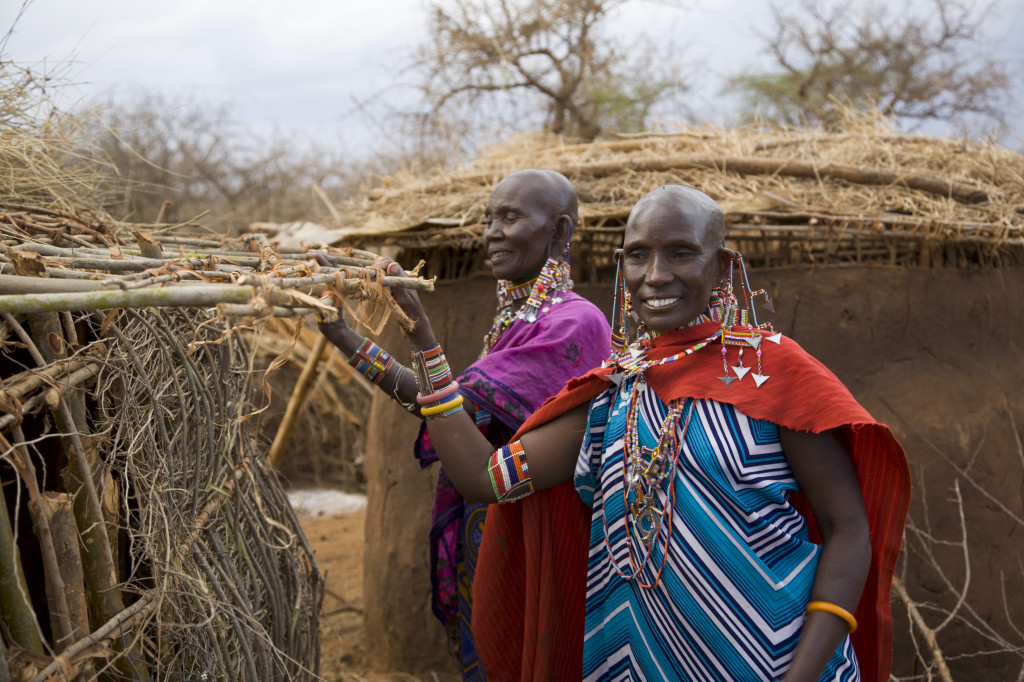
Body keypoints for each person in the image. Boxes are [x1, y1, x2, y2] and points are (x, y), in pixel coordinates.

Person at [383, 184, 910, 682]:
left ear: (722, 266)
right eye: (638, 255)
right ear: (621, 267)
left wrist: (804, 675)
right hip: (634, 661)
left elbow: (848, 530)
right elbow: (486, 477)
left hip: (772, 661)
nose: (655, 275)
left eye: (681, 252)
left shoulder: (772, 372)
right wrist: (424, 341)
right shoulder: (612, 391)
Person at [308, 169, 610, 681]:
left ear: (560, 232)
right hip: (500, 527)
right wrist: (344, 336)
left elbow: (454, 412)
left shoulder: (572, 323)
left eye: (509, 217)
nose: (491, 231)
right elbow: (446, 410)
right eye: (489, 218)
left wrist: (422, 334)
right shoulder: (520, 319)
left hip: (540, 533)